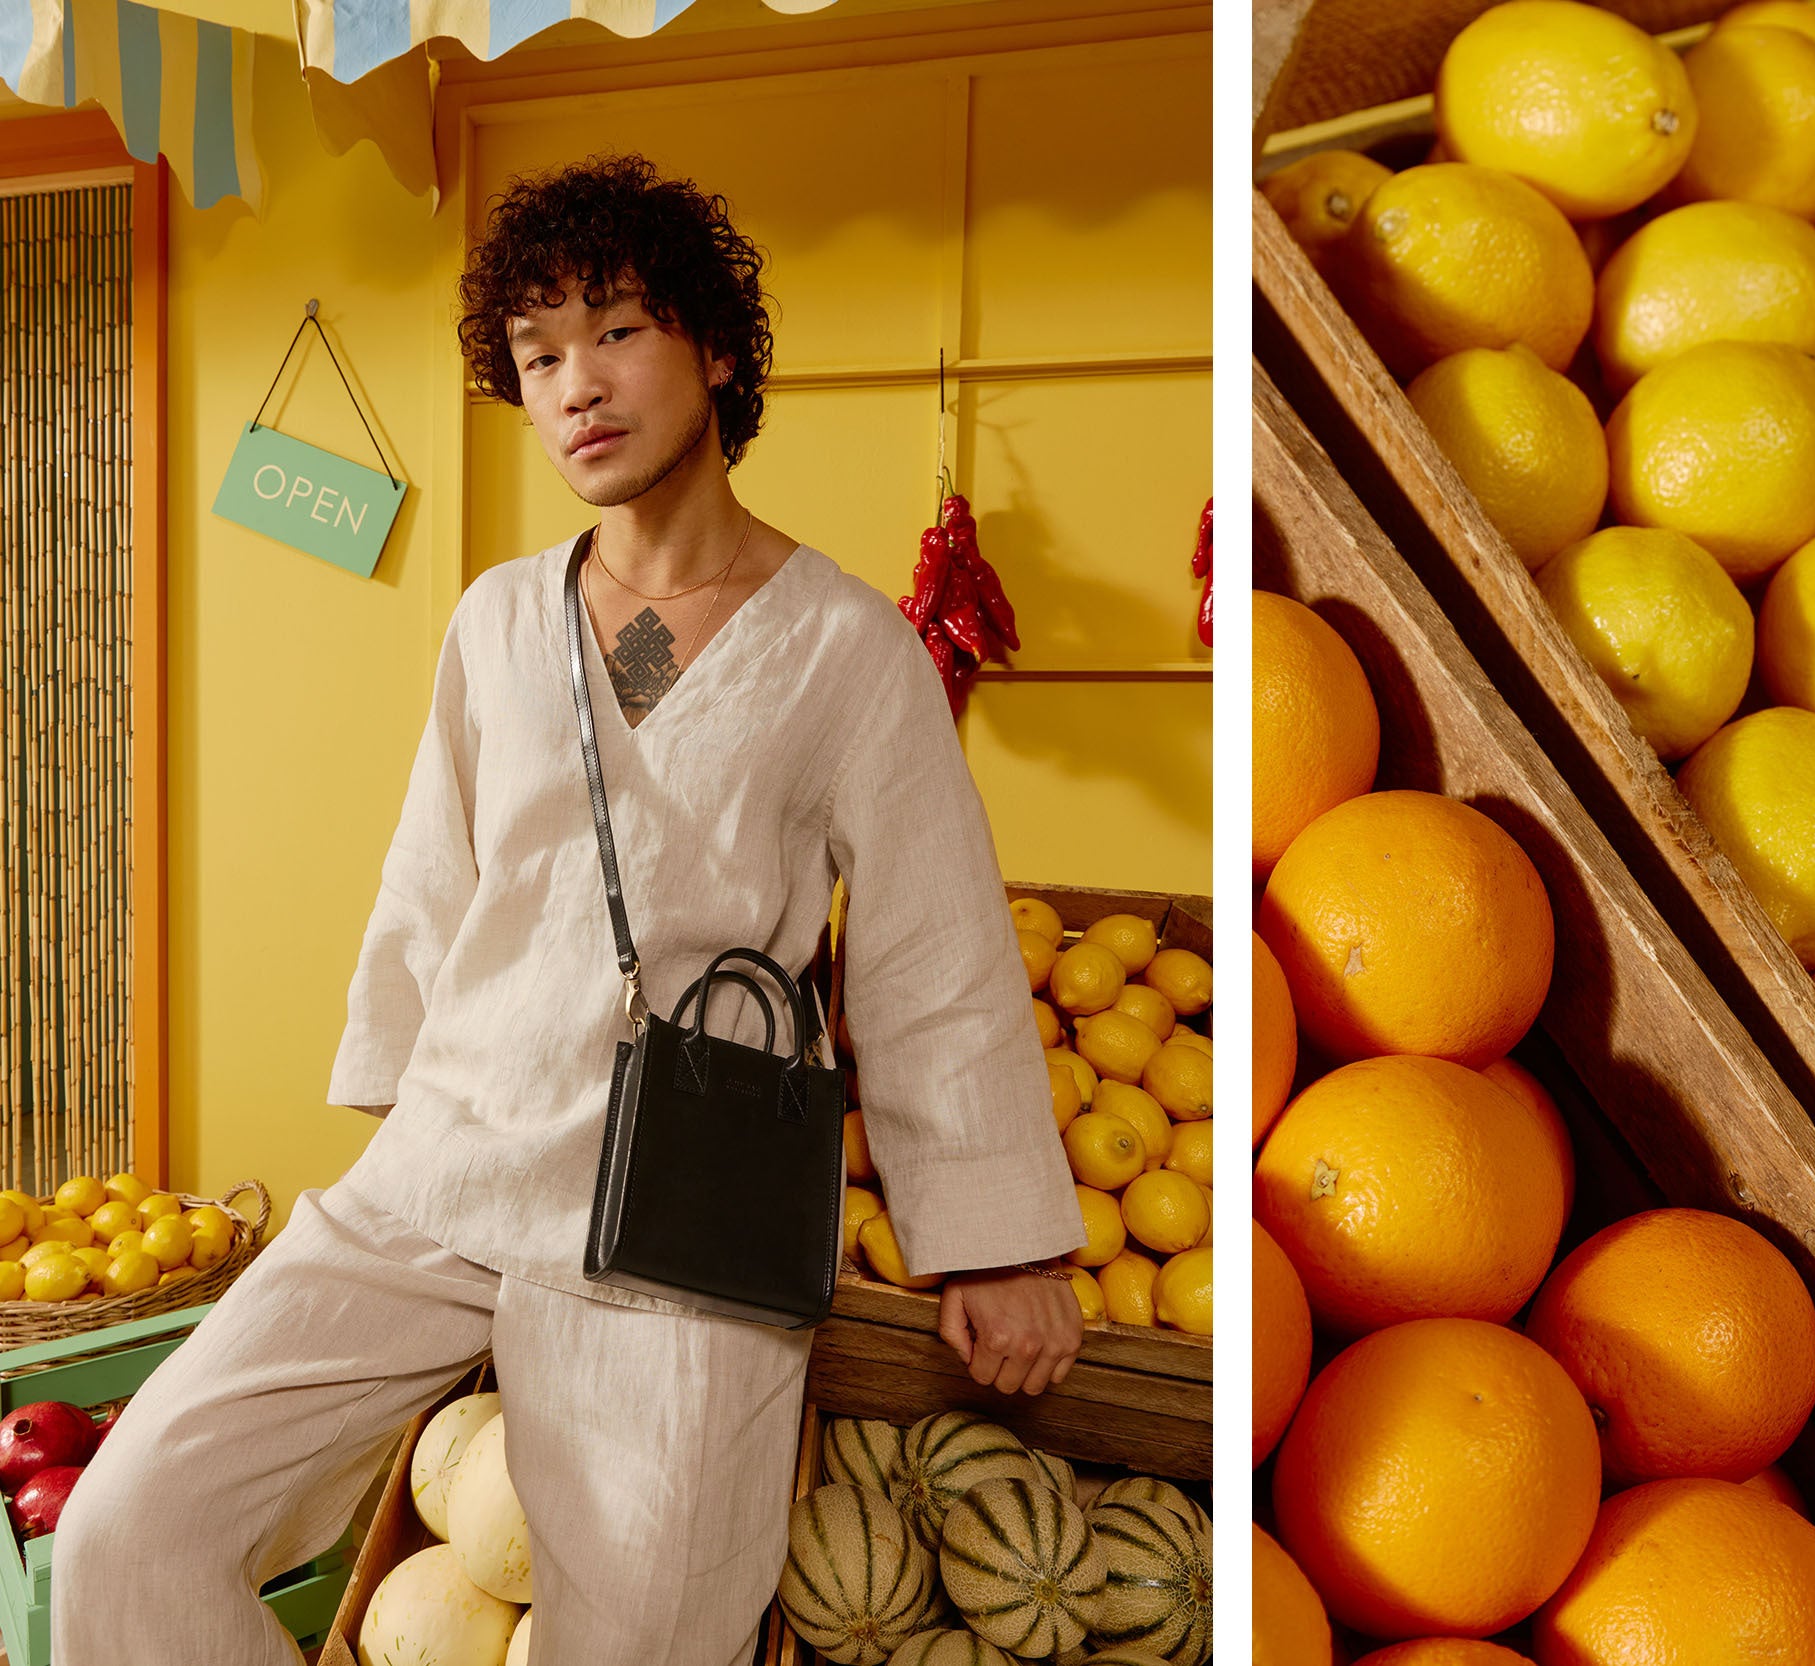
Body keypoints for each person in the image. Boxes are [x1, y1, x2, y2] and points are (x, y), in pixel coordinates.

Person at [50, 153, 1087, 1666]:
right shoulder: (493, 618)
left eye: (615, 331)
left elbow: (933, 949)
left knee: (649, 1639)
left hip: (681, 1218)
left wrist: (997, 1240)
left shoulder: (851, 651)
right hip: (449, 1164)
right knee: (131, 1522)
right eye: (538, 357)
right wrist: (397, 1100)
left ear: (718, 349)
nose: (576, 387)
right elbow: (435, 874)